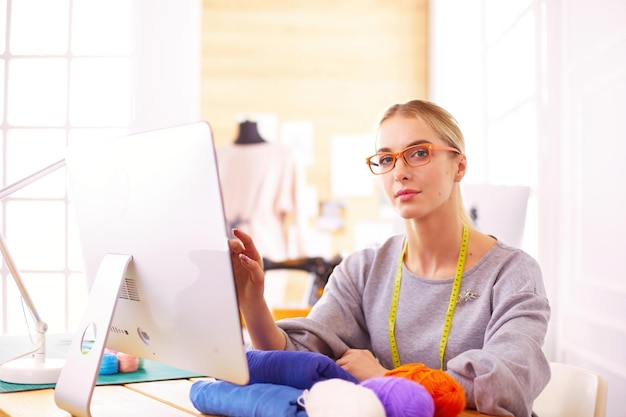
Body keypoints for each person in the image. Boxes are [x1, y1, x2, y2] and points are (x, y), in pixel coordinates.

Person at [229, 99, 551, 417]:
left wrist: (385, 378)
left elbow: (506, 384)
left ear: (459, 166)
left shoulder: (511, 273)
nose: (399, 172)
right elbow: (296, 360)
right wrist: (251, 302)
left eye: (419, 153)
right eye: (386, 159)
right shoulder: (362, 271)